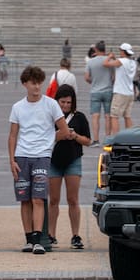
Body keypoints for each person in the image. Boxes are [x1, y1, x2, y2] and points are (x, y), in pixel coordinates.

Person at [8, 65, 68, 254]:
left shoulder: (51, 104)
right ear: (25, 84)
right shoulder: (17, 107)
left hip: (42, 156)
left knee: (38, 198)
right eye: (33, 83)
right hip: (22, 155)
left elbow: (64, 129)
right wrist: (11, 160)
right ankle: (29, 239)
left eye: (39, 83)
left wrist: (49, 142)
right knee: (24, 199)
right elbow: (12, 135)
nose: (36, 87)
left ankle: (38, 239)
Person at [47, 84, 91, 250]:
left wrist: (74, 136)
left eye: (68, 102)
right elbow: (44, 137)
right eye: (62, 102)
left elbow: (88, 140)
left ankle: (75, 234)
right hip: (53, 161)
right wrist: (59, 136)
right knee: (54, 200)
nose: (65, 106)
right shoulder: (51, 117)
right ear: (56, 101)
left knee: (73, 199)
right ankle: (51, 234)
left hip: (73, 160)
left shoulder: (79, 117)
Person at [104, 43, 138, 136]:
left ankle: (116, 137)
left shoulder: (121, 61)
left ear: (123, 51)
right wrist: (115, 59)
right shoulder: (133, 62)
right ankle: (130, 136)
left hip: (120, 92)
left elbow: (105, 64)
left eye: (120, 51)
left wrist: (109, 56)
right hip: (130, 92)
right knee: (127, 116)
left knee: (114, 116)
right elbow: (120, 65)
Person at [85, 39, 114, 146]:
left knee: (95, 116)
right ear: (105, 50)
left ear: (96, 49)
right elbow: (113, 77)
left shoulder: (90, 62)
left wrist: (93, 82)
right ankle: (107, 139)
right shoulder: (109, 61)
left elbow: (87, 77)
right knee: (108, 116)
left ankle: (96, 139)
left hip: (95, 91)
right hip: (108, 90)